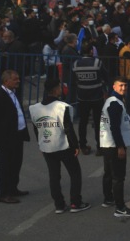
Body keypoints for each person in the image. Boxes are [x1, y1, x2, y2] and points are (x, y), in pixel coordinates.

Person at [29, 79, 91, 213]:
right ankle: (75, 202)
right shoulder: (62, 107)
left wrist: (41, 144)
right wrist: (76, 145)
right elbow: (68, 128)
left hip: (46, 146)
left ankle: (59, 205)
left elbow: (36, 129)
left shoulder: (34, 108)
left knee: (54, 176)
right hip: (63, 145)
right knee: (75, 173)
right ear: (57, 89)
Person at [100, 77, 130, 217]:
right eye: (121, 85)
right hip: (113, 145)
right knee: (118, 176)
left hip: (107, 143)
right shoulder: (115, 103)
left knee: (109, 173)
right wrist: (120, 147)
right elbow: (114, 127)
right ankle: (120, 208)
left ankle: (108, 198)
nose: (123, 88)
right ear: (114, 87)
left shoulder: (113, 101)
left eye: (125, 86)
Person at [0, 70, 29, 204]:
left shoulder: (13, 93)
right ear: (6, 81)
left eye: (18, 78)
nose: (18, 81)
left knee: (16, 163)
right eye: (15, 79)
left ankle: (13, 188)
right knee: (5, 165)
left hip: (17, 134)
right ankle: (3, 193)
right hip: (6, 138)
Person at [72, 43, 108, 156]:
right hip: (97, 96)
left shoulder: (76, 63)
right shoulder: (97, 63)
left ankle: (83, 145)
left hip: (82, 96)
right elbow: (106, 76)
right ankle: (100, 147)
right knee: (98, 122)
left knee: (83, 122)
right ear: (91, 51)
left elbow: (74, 80)